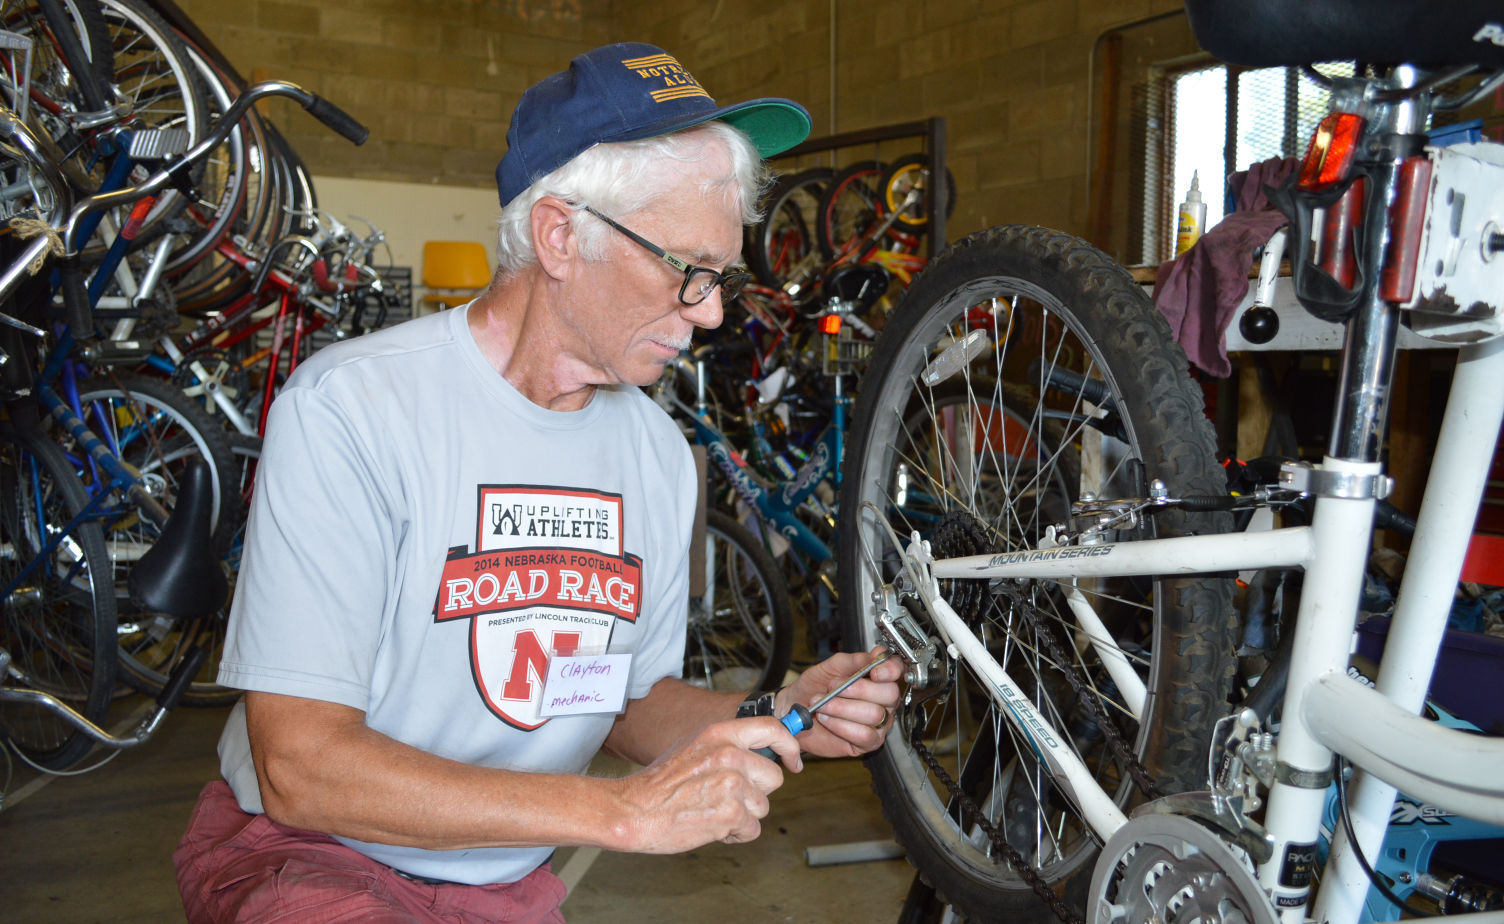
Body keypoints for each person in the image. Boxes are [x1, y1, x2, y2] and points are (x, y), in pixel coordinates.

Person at [173, 42, 902, 922]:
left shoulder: (657, 456)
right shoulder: (354, 409)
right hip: (311, 858)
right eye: (688, 270)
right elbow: (301, 766)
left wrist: (779, 710)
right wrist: (619, 812)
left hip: (501, 880)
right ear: (560, 235)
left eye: (723, 277)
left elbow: (626, 706)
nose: (710, 312)